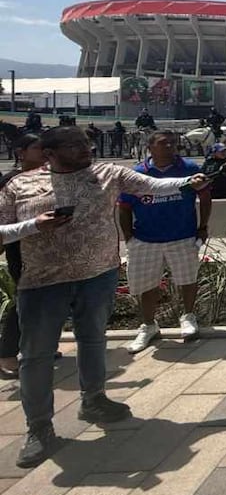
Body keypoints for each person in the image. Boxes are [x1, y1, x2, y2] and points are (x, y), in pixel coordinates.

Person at [0, 126, 208, 467]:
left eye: (86, 143)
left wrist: (187, 182)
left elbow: (152, 185)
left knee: (93, 340)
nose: (87, 149)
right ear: (50, 153)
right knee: (35, 356)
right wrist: (34, 225)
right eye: (76, 145)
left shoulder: (106, 173)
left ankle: (94, 400)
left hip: (97, 275)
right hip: (41, 282)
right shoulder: (19, 185)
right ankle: (39, 428)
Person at [119, 131, 213, 353]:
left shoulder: (190, 169)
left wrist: (202, 227)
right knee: (146, 285)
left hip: (182, 235)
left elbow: (206, 198)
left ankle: (188, 317)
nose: (170, 146)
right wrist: (128, 237)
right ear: (150, 147)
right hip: (145, 238)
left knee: (187, 279)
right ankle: (149, 325)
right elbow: (124, 208)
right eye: (163, 143)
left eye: (173, 143)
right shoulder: (137, 173)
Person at [0, 135, 52, 378]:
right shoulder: (11, 181)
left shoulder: (52, 175)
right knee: (24, 298)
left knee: (49, 298)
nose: (43, 151)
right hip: (21, 247)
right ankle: (7, 353)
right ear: (21, 152)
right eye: (37, 148)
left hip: (50, 247)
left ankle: (39, 346)